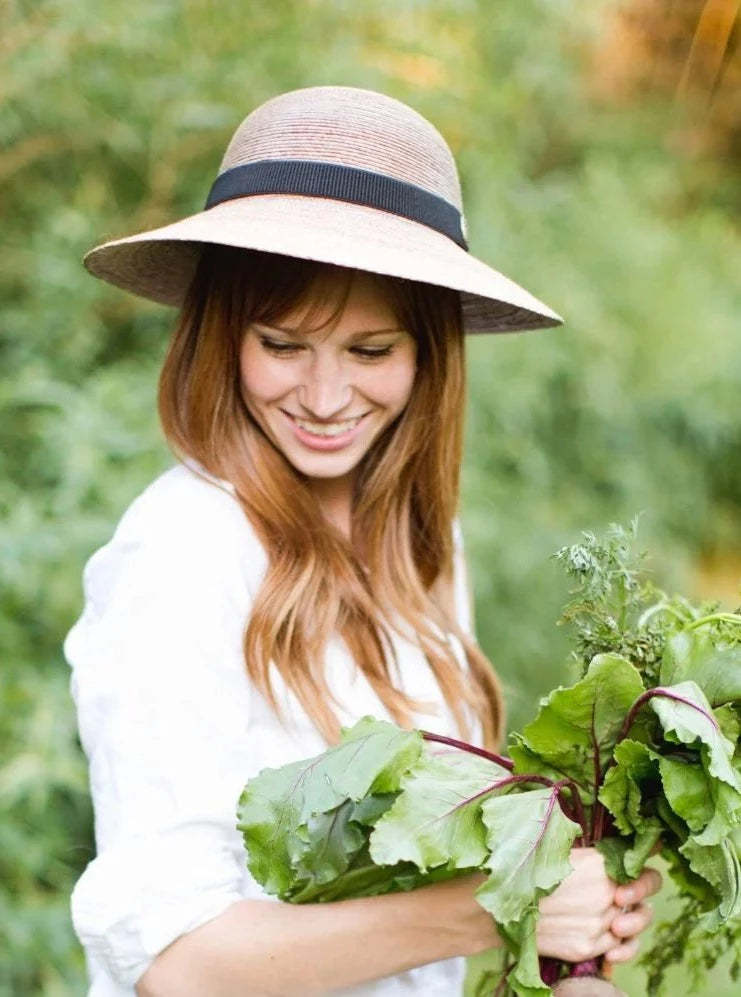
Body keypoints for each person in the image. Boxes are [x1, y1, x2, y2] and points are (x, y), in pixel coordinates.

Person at [65, 85, 661, 997]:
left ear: (428, 355)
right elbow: (176, 964)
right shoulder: (184, 551)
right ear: (223, 337)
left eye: (370, 351)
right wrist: (500, 897)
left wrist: (561, 950)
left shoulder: (421, 543)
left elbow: (399, 912)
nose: (326, 395)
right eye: (283, 343)